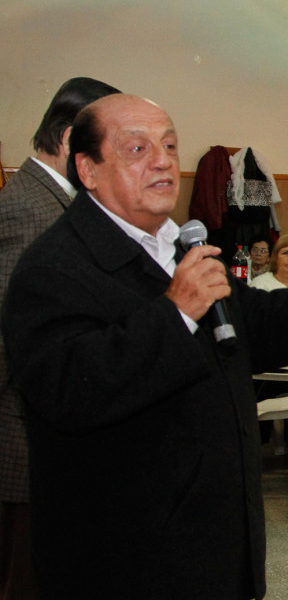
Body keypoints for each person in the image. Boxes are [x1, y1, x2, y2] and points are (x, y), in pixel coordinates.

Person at [0, 94, 288, 599]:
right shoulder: (52, 268)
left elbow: (243, 322)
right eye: (137, 148)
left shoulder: (178, 243)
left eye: (170, 144)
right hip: (128, 558)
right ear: (88, 168)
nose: (164, 160)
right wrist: (173, 313)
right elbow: (69, 391)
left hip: (212, 537)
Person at [0, 76, 120, 600]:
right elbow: (11, 341)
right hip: (21, 450)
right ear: (72, 141)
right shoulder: (32, 210)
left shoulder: (54, 204)